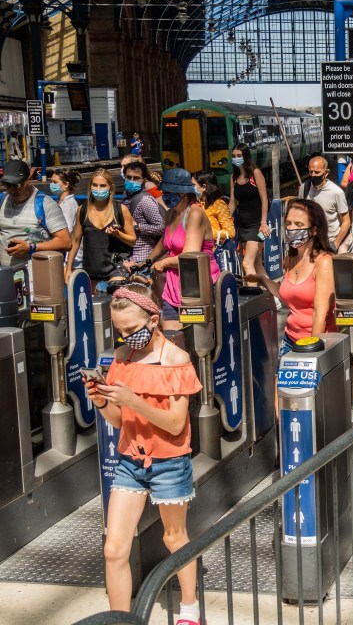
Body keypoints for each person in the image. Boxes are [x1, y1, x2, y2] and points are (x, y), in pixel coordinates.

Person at [84, 284, 202, 622]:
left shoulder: (177, 361)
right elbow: (119, 420)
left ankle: (190, 611)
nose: (125, 337)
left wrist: (133, 400)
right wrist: (103, 401)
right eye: (119, 331)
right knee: (114, 547)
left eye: (132, 330)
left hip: (169, 462)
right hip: (130, 461)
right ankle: (120, 618)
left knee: (174, 537)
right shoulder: (122, 360)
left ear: (154, 320)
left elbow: (176, 425)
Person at [247, 199, 336, 356]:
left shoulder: (324, 262)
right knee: (278, 381)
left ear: (314, 229)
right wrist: (262, 280)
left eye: (299, 225)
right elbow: (287, 294)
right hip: (289, 340)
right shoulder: (289, 260)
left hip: (315, 343)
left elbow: (320, 313)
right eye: (288, 223)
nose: (291, 228)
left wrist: (311, 352)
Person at [139, 168, 220, 331]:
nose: (166, 196)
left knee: (196, 340)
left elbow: (189, 257)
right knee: (171, 336)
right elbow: (165, 242)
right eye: (165, 192)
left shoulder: (195, 213)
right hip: (173, 285)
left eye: (171, 192)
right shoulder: (170, 214)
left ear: (184, 193)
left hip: (196, 286)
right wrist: (147, 261)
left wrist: (164, 263)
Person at [66, 168, 136, 288]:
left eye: (103, 185)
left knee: (114, 300)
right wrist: (68, 269)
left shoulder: (121, 210)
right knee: (95, 305)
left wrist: (118, 234)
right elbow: (75, 242)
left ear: (110, 187)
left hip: (116, 268)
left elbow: (132, 240)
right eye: (95, 185)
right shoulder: (82, 210)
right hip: (91, 270)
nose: (98, 189)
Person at [0, 159, 71, 267]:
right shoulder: (2, 200)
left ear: (29, 180)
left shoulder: (45, 204)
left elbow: (66, 242)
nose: (13, 190)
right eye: (7, 185)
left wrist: (31, 247)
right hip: (6, 276)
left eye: (17, 184)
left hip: (36, 276)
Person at [228, 144, 271, 284]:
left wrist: (263, 223)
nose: (236, 158)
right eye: (234, 156)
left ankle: (253, 297)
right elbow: (233, 202)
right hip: (243, 224)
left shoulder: (255, 173)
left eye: (239, 156)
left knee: (247, 263)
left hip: (257, 226)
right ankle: (272, 293)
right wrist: (226, 222)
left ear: (246, 156)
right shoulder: (233, 177)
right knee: (256, 264)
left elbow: (264, 199)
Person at [297, 156, 350, 250]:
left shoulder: (336, 192)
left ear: (326, 173)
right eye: (311, 172)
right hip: (309, 242)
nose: (313, 175)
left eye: (317, 172)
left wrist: (336, 244)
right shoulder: (304, 188)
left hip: (329, 242)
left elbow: (346, 221)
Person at [121, 161, 167, 264]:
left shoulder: (145, 200)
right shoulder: (126, 198)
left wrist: (137, 227)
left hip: (142, 256)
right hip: (129, 256)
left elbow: (161, 228)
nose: (131, 180)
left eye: (136, 178)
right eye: (128, 177)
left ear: (143, 180)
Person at [194, 169, 235, 244]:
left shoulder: (219, 204)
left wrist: (207, 232)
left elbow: (230, 233)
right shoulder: (197, 203)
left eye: (193, 185)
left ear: (203, 187)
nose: (191, 188)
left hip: (213, 251)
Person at [48, 168, 80, 242]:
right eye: (51, 181)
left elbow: (67, 230)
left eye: (55, 182)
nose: (51, 185)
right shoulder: (60, 202)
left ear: (66, 184)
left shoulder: (69, 205)